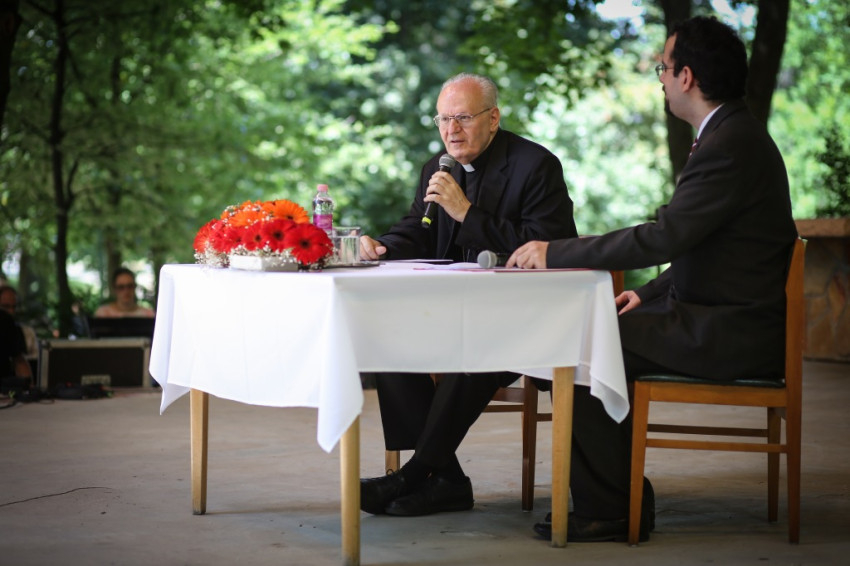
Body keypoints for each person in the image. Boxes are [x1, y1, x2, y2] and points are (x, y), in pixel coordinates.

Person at [508, 16, 798, 542]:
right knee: (594, 333)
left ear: (686, 76)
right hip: (719, 316)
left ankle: (611, 507)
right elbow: (701, 244)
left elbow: (664, 236)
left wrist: (554, 251)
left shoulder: (729, 143)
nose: (660, 78)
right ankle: (617, 495)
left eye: (663, 68)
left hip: (733, 331)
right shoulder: (731, 133)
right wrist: (646, 292)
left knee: (580, 340)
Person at [358, 72, 577, 517]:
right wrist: (381, 246)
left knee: (476, 345)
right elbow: (418, 229)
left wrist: (466, 213)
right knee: (387, 338)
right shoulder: (437, 168)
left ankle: (416, 474)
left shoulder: (535, 166)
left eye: (462, 118)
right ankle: (447, 480)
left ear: (493, 118)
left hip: (525, 317)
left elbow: (548, 246)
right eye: (443, 119)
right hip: (451, 312)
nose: (451, 130)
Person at [0, 285, 38, 360]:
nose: (11, 312)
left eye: (14, 307)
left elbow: (37, 359)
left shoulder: (27, 333)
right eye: (5, 307)